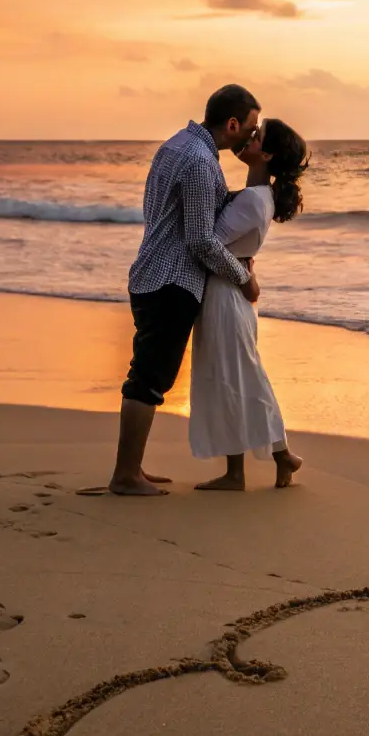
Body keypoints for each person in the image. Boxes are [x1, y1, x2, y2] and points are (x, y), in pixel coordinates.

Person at [108, 85, 261, 496]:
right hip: (170, 280)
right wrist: (242, 277)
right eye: (250, 127)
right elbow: (198, 239)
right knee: (150, 379)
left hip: (152, 274)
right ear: (232, 124)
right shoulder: (197, 161)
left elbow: (187, 213)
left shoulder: (177, 146)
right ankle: (125, 475)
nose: (251, 134)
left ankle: (132, 468)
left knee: (149, 374)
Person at [190, 118, 308, 491]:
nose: (247, 139)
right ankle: (275, 457)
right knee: (237, 375)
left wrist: (243, 273)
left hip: (226, 294)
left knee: (231, 377)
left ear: (267, 154)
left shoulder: (254, 199)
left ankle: (241, 471)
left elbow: (209, 243)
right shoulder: (257, 196)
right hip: (231, 292)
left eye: (256, 137)